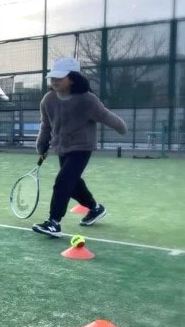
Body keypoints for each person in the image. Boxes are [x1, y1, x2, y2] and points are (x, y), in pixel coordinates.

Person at [31, 57, 128, 238]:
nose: (54, 81)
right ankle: (95, 208)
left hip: (82, 147)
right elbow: (46, 125)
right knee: (73, 185)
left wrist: (121, 127)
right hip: (62, 147)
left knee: (63, 181)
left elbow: (105, 115)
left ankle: (54, 223)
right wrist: (42, 144)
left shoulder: (87, 100)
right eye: (53, 77)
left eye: (60, 77)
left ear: (73, 78)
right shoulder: (48, 100)